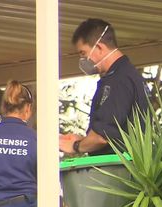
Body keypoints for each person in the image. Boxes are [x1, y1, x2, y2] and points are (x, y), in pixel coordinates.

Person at [59, 18, 149, 155]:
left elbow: (103, 136)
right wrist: (84, 140)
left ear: (100, 47)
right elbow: (116, 134)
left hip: (117, 171)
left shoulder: (117, 80)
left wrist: (75, 146)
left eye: (83, 53)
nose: (83, 60)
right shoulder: (129, 75)